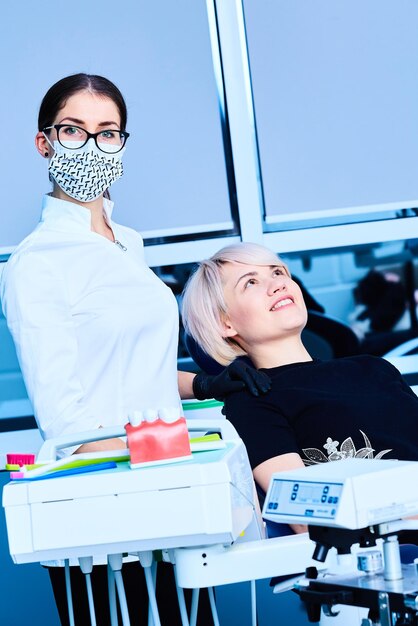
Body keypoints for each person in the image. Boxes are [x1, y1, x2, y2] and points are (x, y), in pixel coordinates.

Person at [0, 74, 268, 625]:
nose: (91, 147)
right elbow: (64, 416)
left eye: (108, 132)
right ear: (43, 142)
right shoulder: (38, 262)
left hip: (170, 488)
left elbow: (132, 371)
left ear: (123, 143)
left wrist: (207, 383)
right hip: (106, 512)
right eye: (74, 130)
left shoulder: (127, 244)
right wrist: (140, 472)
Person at [181, 242, 418, 536]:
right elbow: (309, 520)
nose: (277, 284)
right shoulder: (253, 401)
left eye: (278, 272)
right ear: (226, 323)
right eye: (251, 282)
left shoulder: (374, 368)